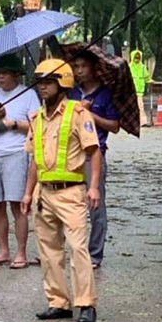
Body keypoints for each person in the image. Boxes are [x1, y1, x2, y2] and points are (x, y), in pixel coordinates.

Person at [21, 58, 101, 322]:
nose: (41, 87)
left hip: (71, 193)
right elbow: (34, 160)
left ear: (62, 83)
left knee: (78, 248)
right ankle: (58, 302)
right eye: (39, 82)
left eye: (47, 82)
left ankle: (86, 303)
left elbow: (94, 151)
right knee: (49, 251)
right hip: (44, 195)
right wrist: (27, 193)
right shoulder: (36, 118)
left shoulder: (78, 113)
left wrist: (93, 187)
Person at [0, 54, 40, 269]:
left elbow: (38, 127)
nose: (0, 77)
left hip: (16, 153)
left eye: (4, 73)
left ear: (15, 75)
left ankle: (21, 252)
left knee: (17, 204)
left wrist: (12, 123)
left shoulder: (28, 94)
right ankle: (3, 250)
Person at [68, 51, 120, 269]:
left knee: (95, 205)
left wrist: (90, 115)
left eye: (83, 66)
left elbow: (114, 126)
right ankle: (72, 249)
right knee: (69, 203)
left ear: (93, 68)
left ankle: (95, 254)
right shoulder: (70, 93)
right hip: (71, 153)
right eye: (76, 66)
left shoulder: (105, 94)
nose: (79, 71)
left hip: (94, 153)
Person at [129, 50, 150, 127]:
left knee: (140, 106)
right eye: (135, 58)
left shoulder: (142, 67)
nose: (137, 60)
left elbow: (146, 77)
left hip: (139, 91)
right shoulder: (129, 67)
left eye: (138, 58)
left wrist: (150, 81)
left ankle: (142, 122)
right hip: (130, 91)